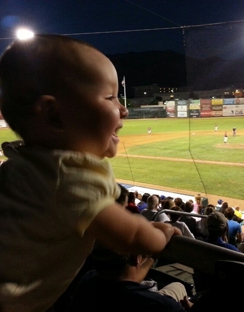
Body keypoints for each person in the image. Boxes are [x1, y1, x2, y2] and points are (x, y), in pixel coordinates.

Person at [0, 34, 182, 312]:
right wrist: (164, 230)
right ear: (54, 115)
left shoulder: (22, 164)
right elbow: (134, 238)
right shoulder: (68, 176)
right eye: (110, 97)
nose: (124, 110)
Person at [70, 245, 191, 312]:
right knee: (178, 286)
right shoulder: (165, 306)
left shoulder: (88, 279)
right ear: (136, 258)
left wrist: (152, 256)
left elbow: (130, 278)